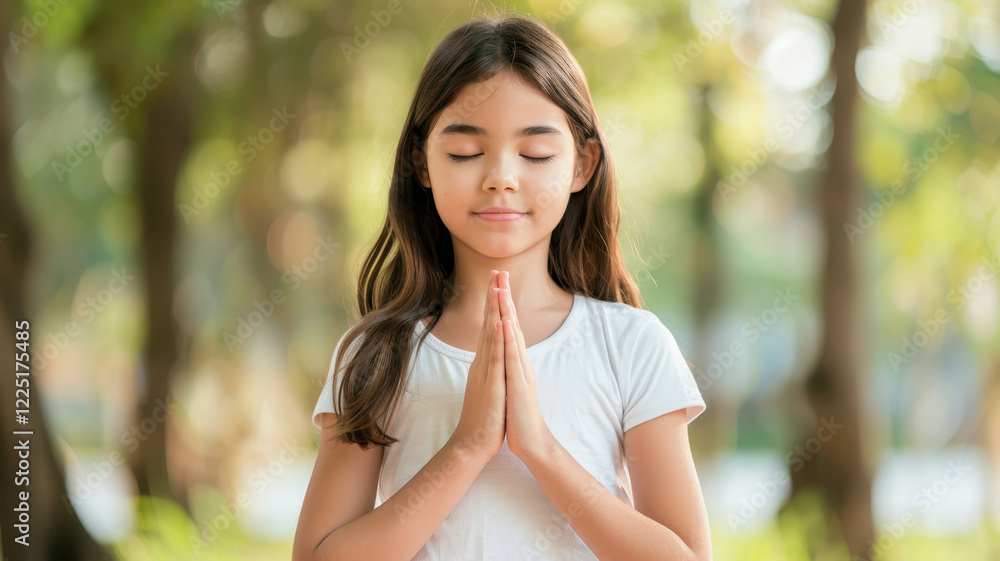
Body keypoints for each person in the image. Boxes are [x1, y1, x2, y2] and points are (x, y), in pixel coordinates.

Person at [292, 12, 710, 561]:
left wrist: (538, 449)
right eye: (466, 152)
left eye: (535, 153)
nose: (501, 176)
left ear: (583, 163)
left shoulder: (632, 345)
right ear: (420, 161)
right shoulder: (375, 354)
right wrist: (466, 447)